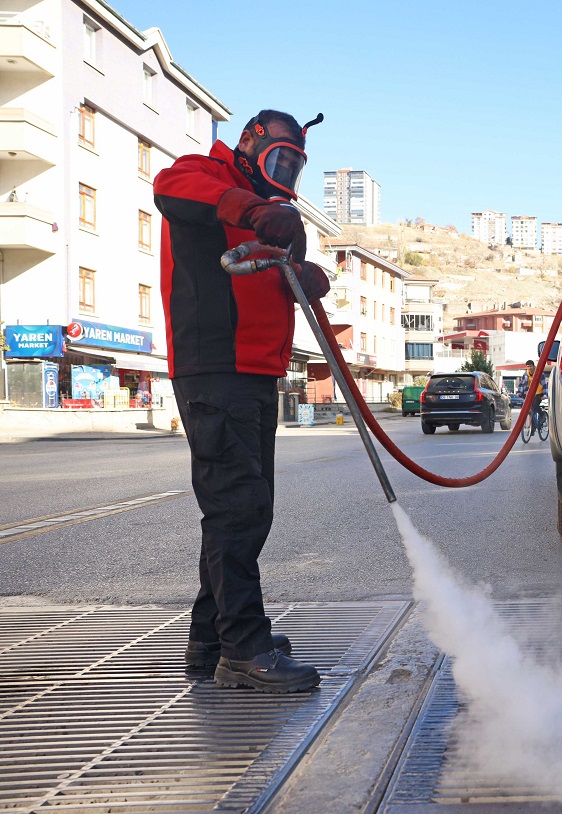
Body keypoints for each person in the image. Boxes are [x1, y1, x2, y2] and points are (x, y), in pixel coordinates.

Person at [153, 109, 330, 693]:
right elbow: (172, 189)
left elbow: (259, 275)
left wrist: (297, 273)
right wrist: (251, 209)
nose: (284, 172)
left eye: (294, 165)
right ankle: (244, 650)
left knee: (248, 506)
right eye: (279, 157)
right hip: (215, 367)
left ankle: (214, 638)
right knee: (236, 507)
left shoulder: (269, 211)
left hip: (256, 372)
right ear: (251, 141)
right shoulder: (205, 175)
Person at [517, 360, 547, 434]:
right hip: (530, 393)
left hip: (539, 393)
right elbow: (522, 384)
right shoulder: (526, 374)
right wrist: (519, 392)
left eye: (530, 366)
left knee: (534, 406)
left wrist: (545, 395)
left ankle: (542, 414)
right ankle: (532, 428)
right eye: (527, 366)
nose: (529, 368)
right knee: (530, 409)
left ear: (533, 366)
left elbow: (544, 384)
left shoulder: (539, 373)